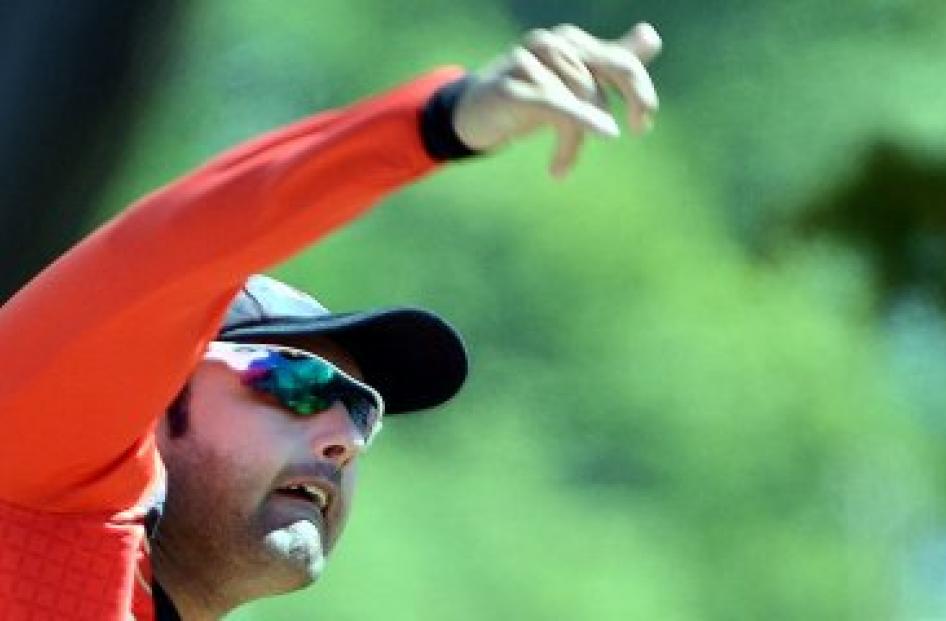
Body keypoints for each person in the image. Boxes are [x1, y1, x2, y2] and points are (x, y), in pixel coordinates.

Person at [0, 21, 662, 621]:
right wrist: (434, 124)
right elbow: (172, 253)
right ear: (150, 389)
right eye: (296, 383)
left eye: (362, 410)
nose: (347, 438)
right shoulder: (38, 475)